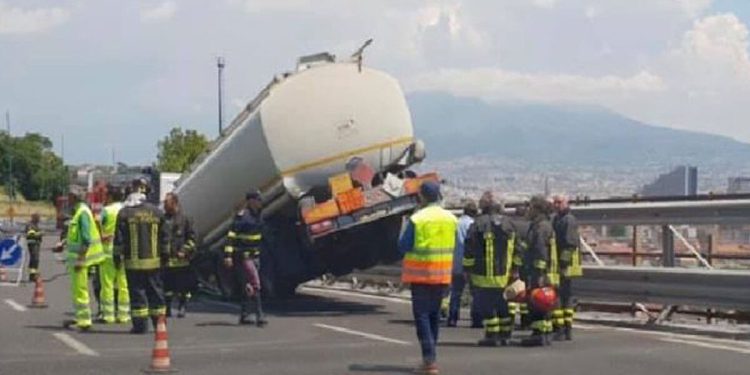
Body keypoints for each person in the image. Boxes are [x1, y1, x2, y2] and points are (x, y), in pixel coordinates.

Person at [399, 181, 457, 375]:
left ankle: (429, 360)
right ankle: (431, 357)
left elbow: (403, 245)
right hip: (443, 275)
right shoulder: (451, 218)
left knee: (422, 316)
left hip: (421, 276)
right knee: (433, 316)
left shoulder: (418, 218)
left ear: (422, 196)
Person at [464, 194, 520, 346]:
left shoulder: (477, 224)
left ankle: (492, 335)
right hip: (505, 275)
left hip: (483, 276)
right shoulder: (510, 224)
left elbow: (469, 250)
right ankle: (505, 335)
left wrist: (467, 270)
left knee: (487, 307)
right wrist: (515, 270)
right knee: (503, 306)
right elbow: (518, 250)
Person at [114, 182, 168, 334]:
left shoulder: (124, 213)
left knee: (138, 294)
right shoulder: (157, 212)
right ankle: (160, 323)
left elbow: (118, 240)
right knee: (156, 293)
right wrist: (165, 257)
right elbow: (165, 237)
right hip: (154, 263)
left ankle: (140, 326)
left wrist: (116, 258)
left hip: (133, 264)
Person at [64, 188, 107, 331]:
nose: (67, 200)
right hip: (77, 259)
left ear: (75, 198)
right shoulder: (79, 211)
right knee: (77, 289)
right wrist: (63, 243)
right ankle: (79, 317)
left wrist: (81, 259)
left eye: (69, 197)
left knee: (80, 290)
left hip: (80, 260)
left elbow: (87, 239)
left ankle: (84, 321)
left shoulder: (82, 213)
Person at [224, 190, 267, 326]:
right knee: (255, 284)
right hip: (244, 256)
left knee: (248, 286)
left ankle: (244, 314)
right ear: (250, 201)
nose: (260, 202)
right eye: (258, 200)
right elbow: (231, 237)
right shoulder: (242, 217)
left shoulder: (258, 215)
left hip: (255, 256)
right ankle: (260, 315)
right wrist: (228, 256)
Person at [522, 196, 556, 347]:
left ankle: (538, 334)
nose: (528, 210)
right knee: (542, 303)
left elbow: (540, 250)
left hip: (538, 272)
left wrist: (540, 273)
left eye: (530, 207)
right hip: (540, 270)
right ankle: (544, 333)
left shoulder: (540, 226)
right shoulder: (542, 224)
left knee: (537, 302)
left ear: (537, 209)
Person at [552, 195, 582, 341]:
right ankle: (565, 327)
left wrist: (563, 264)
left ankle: (563, 328)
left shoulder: (568, 220)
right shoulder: (558, 219)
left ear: (566, 203)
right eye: (555, 202)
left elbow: (569, 244)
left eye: (559, 202)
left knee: (561, 297)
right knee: (565, 297)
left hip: (566, 265)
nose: (557, 205)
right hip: (565, 264)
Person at [97, 186, 130, 324]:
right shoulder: (126, 210)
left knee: (107, 284)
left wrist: (102, 234)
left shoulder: (107, 210)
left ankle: (108, 314)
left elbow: (97, 222)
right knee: (123, 284)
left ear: (110, 196)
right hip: (123, 251)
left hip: (108, 251)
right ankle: (123, 314)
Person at [163, 192, 197, 318]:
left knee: (183, 287)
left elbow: (192, 239)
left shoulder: (185, 219)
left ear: (175, 203)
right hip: (166, 260)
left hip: (182, 261)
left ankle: (182, 307)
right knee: (167, 287)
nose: (164, 206)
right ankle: (167, 307)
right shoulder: (163, 219)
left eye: (167, 203)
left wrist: (184, 250)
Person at [446, 200, 479, 328]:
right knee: (474, 292)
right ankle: (475, 319)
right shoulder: (474, 225)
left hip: (455, 262)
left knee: (456, 292)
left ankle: (452, 318)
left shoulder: (456, 223)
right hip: (470, 264)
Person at [25, 213, 43, 282]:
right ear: (34, 218)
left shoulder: (35, 225)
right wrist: (40, 234)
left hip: (36, 243)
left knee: (35, 259)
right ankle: (32, 275)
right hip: (33, 243)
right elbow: (31, 234)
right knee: (35, 258)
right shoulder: (30, 225)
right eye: (38, 218)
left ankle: (33, 274)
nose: (39, 220)